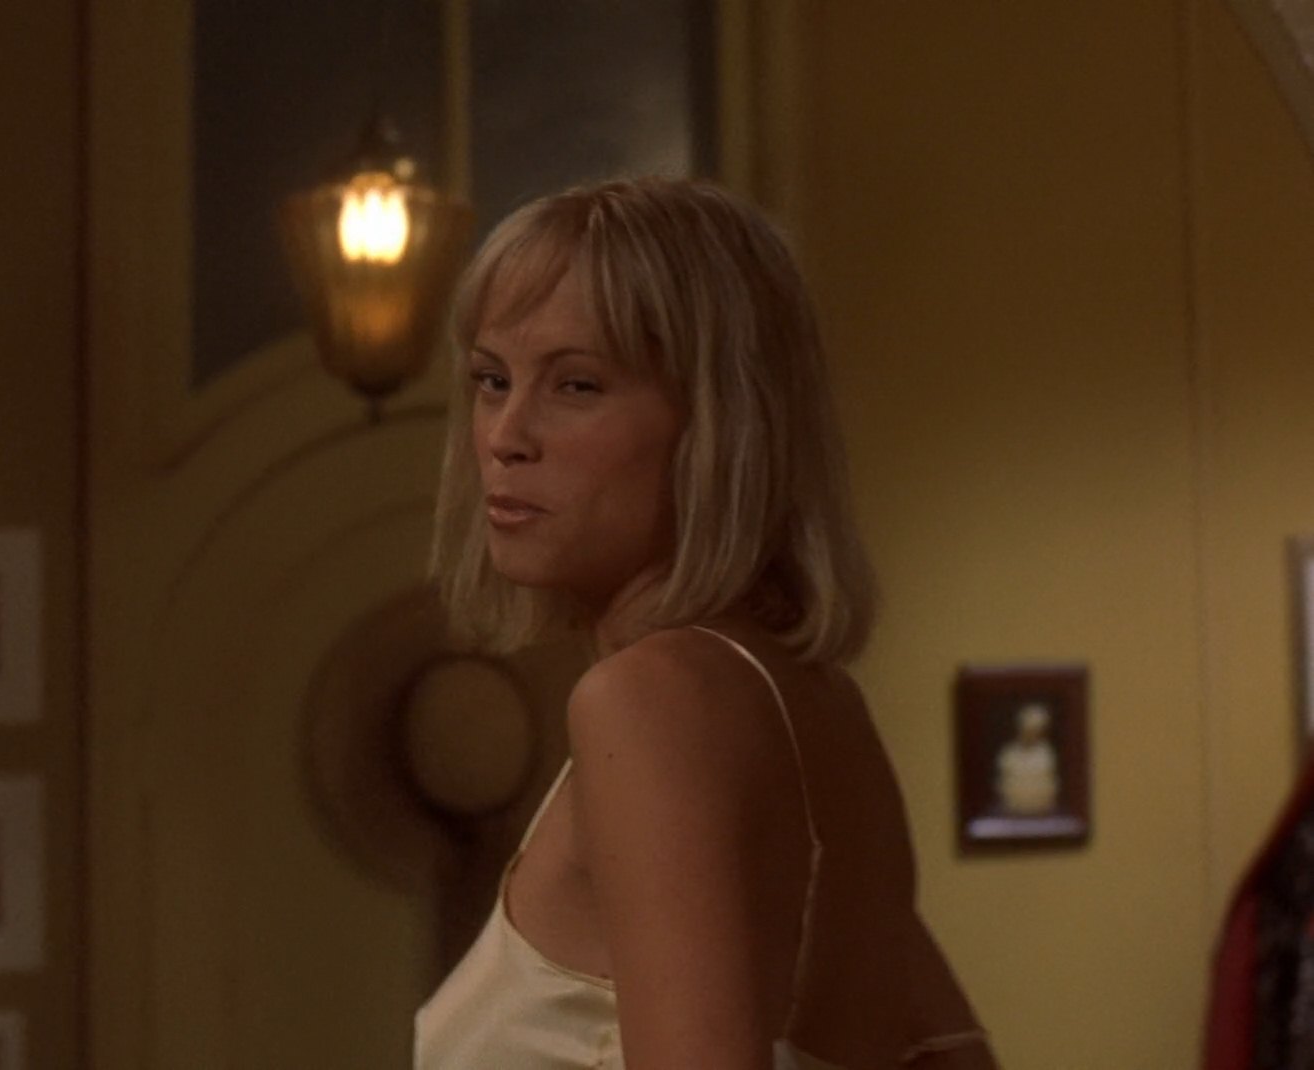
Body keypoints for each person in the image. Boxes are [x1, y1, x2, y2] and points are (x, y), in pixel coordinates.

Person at [415, 176, 995, 1069]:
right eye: (492, 380)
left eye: (576, 384)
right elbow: (952, 1051)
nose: (505, 435)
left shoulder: (647, 702)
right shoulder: (816, 700)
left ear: (719, 421)